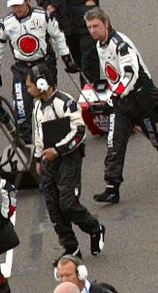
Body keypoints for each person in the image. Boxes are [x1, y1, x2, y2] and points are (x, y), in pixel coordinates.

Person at [85, 8, 158, 201]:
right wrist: (107, 95)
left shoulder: (120, 44)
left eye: (96, 26)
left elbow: (130, 74)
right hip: (122, 102)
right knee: (114, 143)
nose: (92, 31)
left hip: (143, 97)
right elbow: (111, 75)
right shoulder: (100, 46)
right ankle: (112, 187)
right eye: (89, 27)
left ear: (106, 24)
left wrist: (114, 96)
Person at [28, 73, 103, 258]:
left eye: (30, 86)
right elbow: (38, 133)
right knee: (53, 207)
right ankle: (71, 248)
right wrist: (38, 158)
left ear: (42, 83)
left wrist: (58, 150)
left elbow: (79, 132)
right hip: (48, 161)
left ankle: (95, 228)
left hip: (68, 159)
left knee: (68, 204)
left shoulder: (66, 103)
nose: (28, 90)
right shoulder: (37, 105)